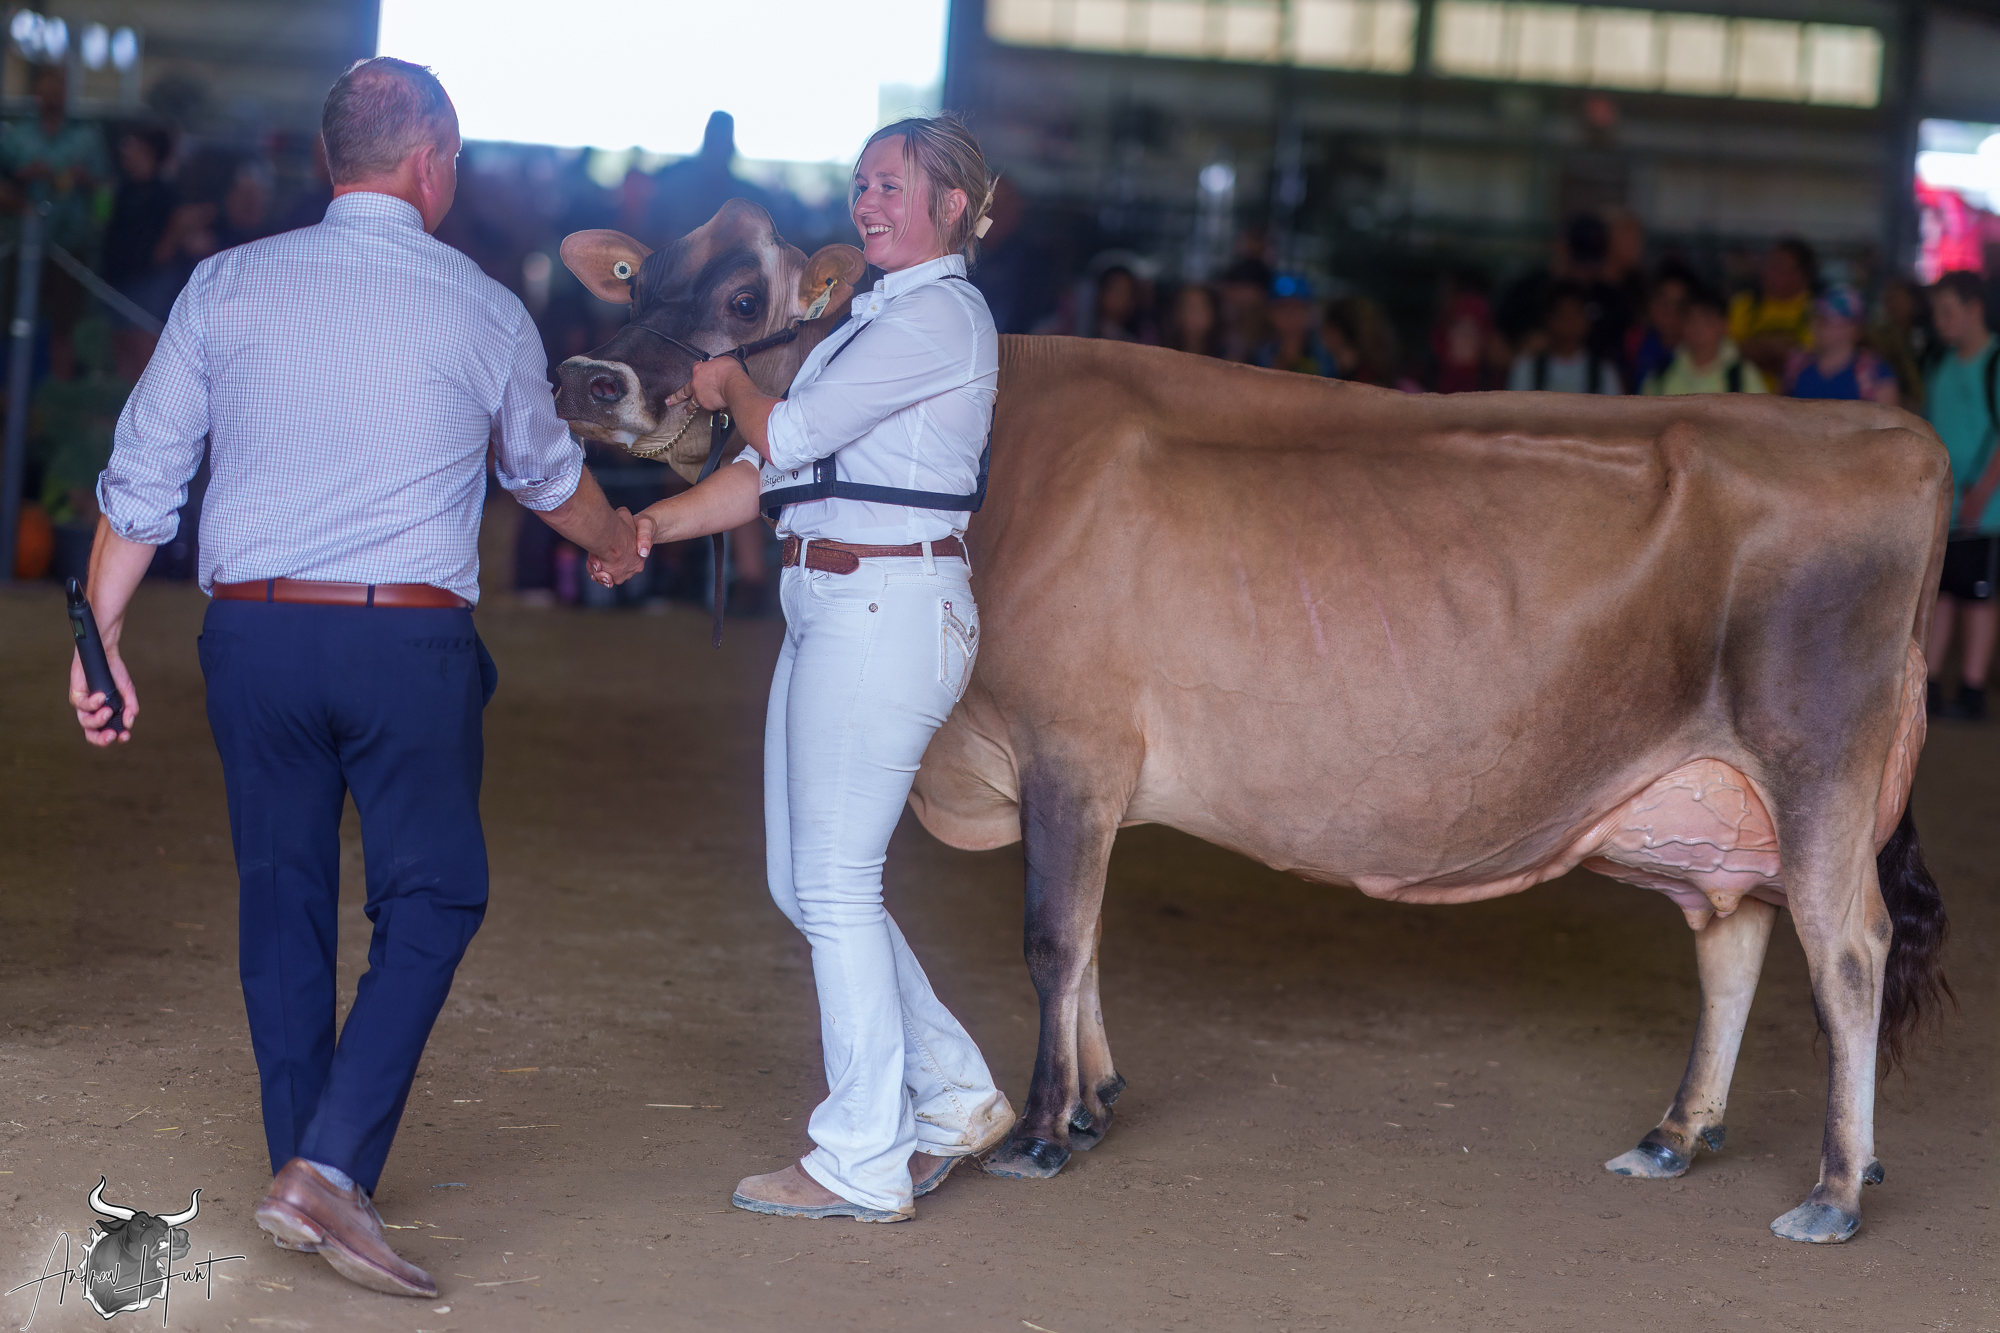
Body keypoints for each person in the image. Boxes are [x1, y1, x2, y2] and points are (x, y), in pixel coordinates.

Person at [70, 57, 642, 1297]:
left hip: (253, 638)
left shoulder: (228, 284)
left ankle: (304, 1165)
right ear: (430, 161)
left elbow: (145, 473)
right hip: (403, 645)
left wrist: (98, 630)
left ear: (334, 160)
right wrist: (617, 543)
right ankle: (327, 1168)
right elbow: (547, 478)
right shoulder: (481, 305)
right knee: (432, 895)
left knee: (281, 899)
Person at [596, 113, 1014, 1223]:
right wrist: (650, 528)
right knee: (808, 882)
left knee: (832, 883)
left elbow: (779, 434)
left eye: (892, 186)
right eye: (862, 183)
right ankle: (954, 1095)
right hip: (836, 600)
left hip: (887, 603)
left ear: (953, 208)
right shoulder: (868, 321)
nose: (867, 202)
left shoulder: (942, 316)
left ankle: (862, 1155)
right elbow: (765, 473)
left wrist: (727, 381)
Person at [1923, 270, 2000, 721]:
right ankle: (1930, 684)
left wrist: (1983, 492)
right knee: (1943, 593)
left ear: (1974, 310)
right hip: (1947, 503)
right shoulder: (1941, 363)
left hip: (1985, 509)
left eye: (1947, 312)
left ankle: (1972, 688)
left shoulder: (1994, 361)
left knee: (1977, 596)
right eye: (1936, 312)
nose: (1939, 321)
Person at [1, 64, 110, 380]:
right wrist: (22, 179)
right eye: (46, 89)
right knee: (13, 319)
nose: (52, 96)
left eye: (57, 89)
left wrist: (86, 181)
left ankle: (59, 392)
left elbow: (105, 188)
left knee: (66, 323)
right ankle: (12, 392)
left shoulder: (88, 137)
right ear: (36, 93)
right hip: (20, 244)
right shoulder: (15, 136)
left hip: (71, 243)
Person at [101, 126, 180, 380]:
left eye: (133, 147)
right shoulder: (123, 189)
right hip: (118, 279)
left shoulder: (165, 195)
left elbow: (167, 241)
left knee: (144, 351)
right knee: (121, 349)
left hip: (148, 283)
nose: (127, 152)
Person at [1641, 285, 1769, 396]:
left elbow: (1763, 414)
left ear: (1724, 325)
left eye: (1707, 321)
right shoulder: (1661, 373)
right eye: (1692, 321)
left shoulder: (1743, 375)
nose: (1698, 329)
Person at [1783, 286, 1899, 407]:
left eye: (1829, 319)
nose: (1819, 325)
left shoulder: (1873, 373)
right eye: (1817, 317)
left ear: (1855, 329)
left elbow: (1888, 416)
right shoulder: (1797, 365)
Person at [1728, 237, 1817, 383]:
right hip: (1743, 393)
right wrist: (1777, 348)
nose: (1769, 272)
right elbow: (1729, 352)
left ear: (1803, 275)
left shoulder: (1817, 310)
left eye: (1779, 267)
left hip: (1792, 395)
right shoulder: (1745, 304)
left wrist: (1754, 349)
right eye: (1768, 265)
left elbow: (1807, 361)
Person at [1507, 283, 1622, 394]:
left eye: (1574, 314)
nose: (1569, 323)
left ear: (1587, 321)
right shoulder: (1527, 367)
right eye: (1562, 315)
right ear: (1548, 319)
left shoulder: (1603, 372)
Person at [1254, 273, 1335, 375]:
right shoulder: (1259, 354)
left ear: (1310, 312)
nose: (1290, 315)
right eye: (1282, 308)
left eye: (1298, 308)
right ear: (1270, 314)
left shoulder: (1325, 357)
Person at [1164, 281, 1224, 357]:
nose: (1188, 315)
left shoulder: (1228, 356)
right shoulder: (1161, 352)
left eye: (1196, 310)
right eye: (1184, 308)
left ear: (1213, 314)